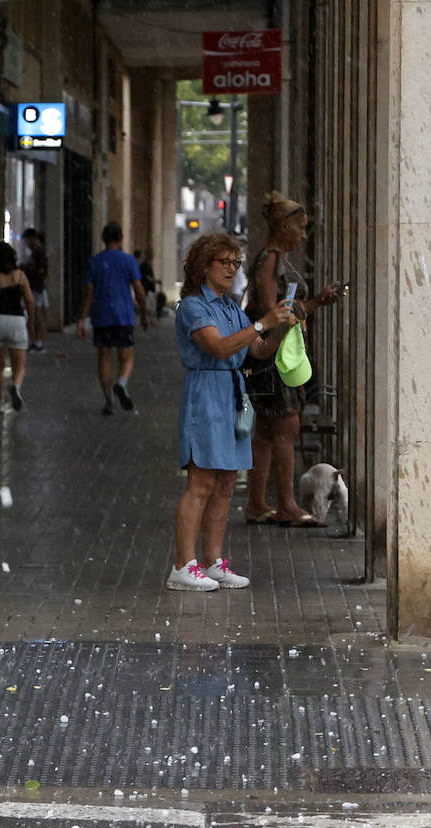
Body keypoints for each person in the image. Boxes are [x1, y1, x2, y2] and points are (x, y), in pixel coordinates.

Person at [169, 232, 295, 593]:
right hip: (206, 393)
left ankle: (213, 561)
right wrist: (260, 322)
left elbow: (256, 349)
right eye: (223, 262)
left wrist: (282, 326)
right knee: (201, 481)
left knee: (224, 483)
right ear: (203, 265)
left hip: (231, 393)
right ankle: (183, 564)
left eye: (235, 262)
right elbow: (220, 348)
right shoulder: (194, 306)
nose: (231, 268)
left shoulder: (230, 307)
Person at [243, 190, 341, 526]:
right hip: (272, 356)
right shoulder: (270, 259)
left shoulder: (273, 258)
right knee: (286, 424)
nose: (303, 236)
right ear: (283, 226)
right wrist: (315, 303)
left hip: (272, 352)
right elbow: (274, 314)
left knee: (268, 429)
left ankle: (258, 503)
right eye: (299, 229)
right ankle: (285, 503)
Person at [76, 222, 149, 414]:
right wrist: (144, 313)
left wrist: (81, 318)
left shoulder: (95, 262)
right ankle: (122, 383)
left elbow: (88, 292)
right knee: (126, 357)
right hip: (123, 316)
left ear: (103, 239)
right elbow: (139, 290)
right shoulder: (128, 261)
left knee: (104, 358)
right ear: (121, 239)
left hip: (101, 316)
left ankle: (108, 400)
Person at [0, 240, 36, 413]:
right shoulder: (20, 275)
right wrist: (31, 321)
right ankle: (16, 387)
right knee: (19, 366)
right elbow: (30, 301)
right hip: (17, 322)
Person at [20, 227, 49, 350]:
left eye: (27, 240)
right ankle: (36, 341)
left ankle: (38, 341)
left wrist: (26, 269)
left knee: (36, 315)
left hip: (36, 288)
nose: (26, 244)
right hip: (35, 287)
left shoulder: (39, 253)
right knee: (35, 315)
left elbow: (42, 272)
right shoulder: (37, 253)